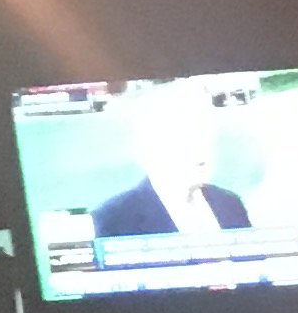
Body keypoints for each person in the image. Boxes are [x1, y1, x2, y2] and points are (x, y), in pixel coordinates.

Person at [93, 90, 249, 246]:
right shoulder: (114, 217)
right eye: (186, 140)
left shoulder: (230, 203)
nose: (200, 149)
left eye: (205, 137)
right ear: (149, 148)